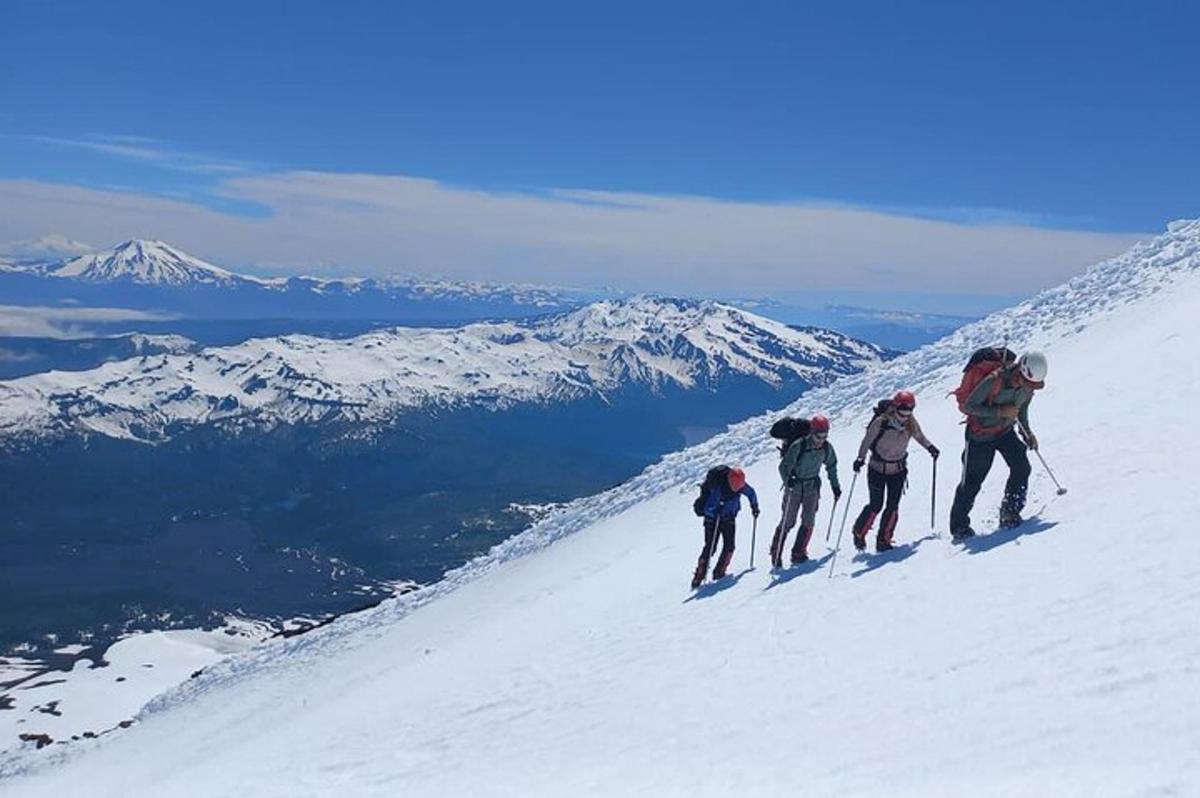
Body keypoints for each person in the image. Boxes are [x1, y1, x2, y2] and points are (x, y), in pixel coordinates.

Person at [949, 350, 1048, 541]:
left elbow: (1021, 409)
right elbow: (970, 406)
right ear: (1021, 372)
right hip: (980, 437)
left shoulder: (1027, 387)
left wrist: (1027, 432)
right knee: (971, 482)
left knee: (1021, 467)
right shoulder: (994, 380)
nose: (1031, 388)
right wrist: (1001, 412)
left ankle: (1010, 513)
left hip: (1005, 431)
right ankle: (959, 527)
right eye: (1030, 384)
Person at [849, 390, 939, 552]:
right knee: (876, 505)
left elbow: (919, 437)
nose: (906, 414)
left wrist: (930, 448)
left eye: (909, 410)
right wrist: (860, 458)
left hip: (898, 470)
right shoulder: (881, 422)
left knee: (893, 505)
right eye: (903, 410)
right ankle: (859, 531)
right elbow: (867, 440)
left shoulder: (911, 423)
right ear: (895, 408)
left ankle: (884, 540)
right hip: (877, 469)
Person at [770, 414, 841, 567]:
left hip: (812, 488)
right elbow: (784, 466)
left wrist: (835, 487)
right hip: (794, 487)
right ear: (812, 432)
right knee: (788, 522)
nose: (821, 439)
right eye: (818, 435)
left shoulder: (827, 448)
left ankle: (799, 553)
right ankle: (776, 553)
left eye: (824, 435)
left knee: (809, 521)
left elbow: (831, 467)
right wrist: (788, 481)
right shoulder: (799, 445)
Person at [693, 466, 759, 588]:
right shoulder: (719, 487)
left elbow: (751, 493)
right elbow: (708, 507)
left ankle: (719, 572)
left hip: (728, 518)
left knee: (729, 546)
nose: (738, 489)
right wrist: (715, 510)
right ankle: (699, 575)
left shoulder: (739, 483)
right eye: (736, 487)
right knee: (711, 548)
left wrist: (754, 506)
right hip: (713, 521)